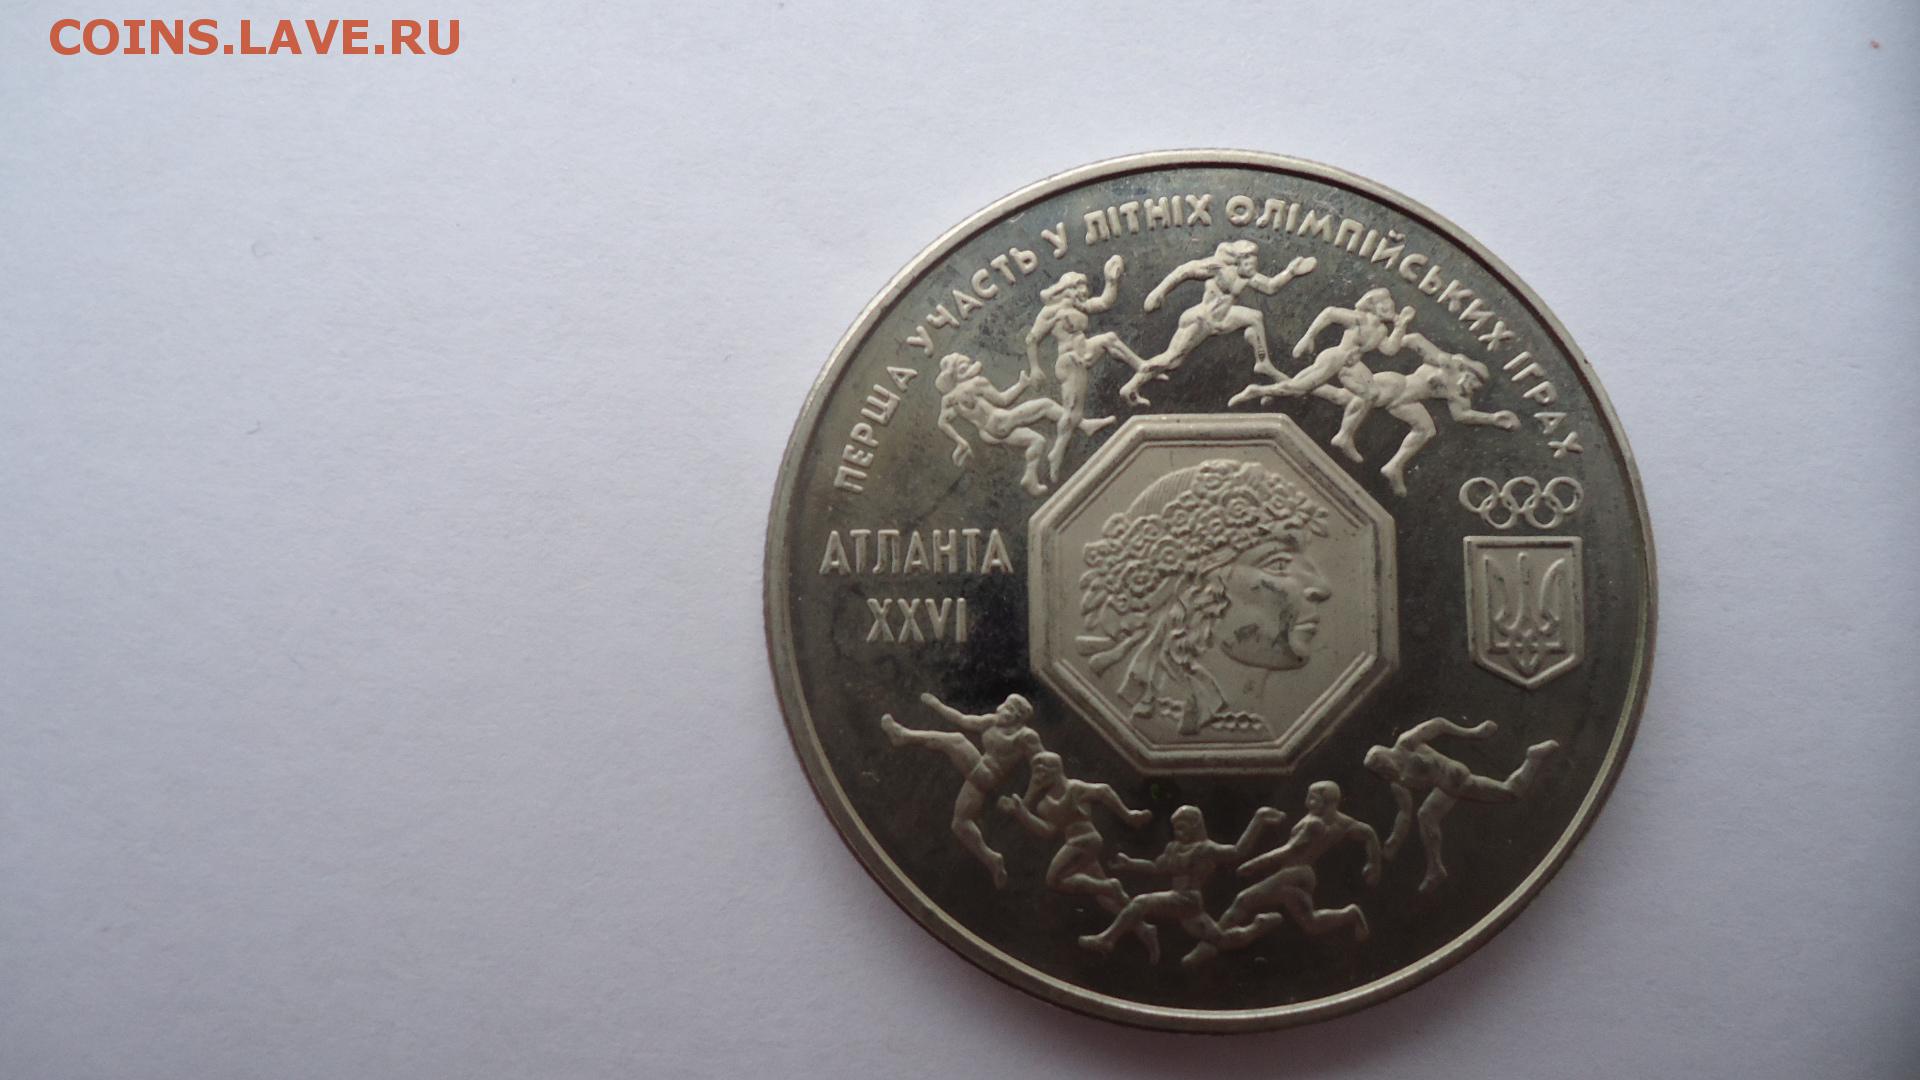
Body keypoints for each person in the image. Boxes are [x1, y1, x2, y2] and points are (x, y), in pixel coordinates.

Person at [1233, 330, 1520, 494]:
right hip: (1394, 385)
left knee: (1426, 429)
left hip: (1404, 403)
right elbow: (1416, 340)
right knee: (1340, 397)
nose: (1472, 388)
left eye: (1476, 388)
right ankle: (1272, 384)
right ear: (1467, 371)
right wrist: (1395, 338)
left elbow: (1461, 416)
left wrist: (1493, 419)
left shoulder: (1459, 395)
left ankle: (1393, 466)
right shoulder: (1446, 364)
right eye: (1474, 382)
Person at [1182, 781, 1380, 966]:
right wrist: (1374, 862)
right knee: (1311, 923)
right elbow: (1369, 833)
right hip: (1304, 875)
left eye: (1313, 798)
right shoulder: (1343, 822)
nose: (1307, 802)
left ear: (1328, 801)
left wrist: (1255, 864)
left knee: (1243, 899)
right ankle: (1350, 914)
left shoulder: (1313, 824)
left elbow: (1289, 850)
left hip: (1294, 872)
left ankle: (1208, 946)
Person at [1363, 718, 1559, 894]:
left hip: (1454, 776)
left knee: (1511, 792)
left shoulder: (1406, 743)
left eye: (1381, 764)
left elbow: (1439, 725)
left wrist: (1474, 732)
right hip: (1446, 788)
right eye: (1378, 771)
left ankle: (1533, 757)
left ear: (1385, 753)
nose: (1383, 770)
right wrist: (1395, 840)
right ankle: (1435, 868)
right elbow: (1404, 812)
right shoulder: (1398, 781)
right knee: (1426, 815)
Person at [997, 752, 1159, 959]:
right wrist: (1022, 813)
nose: (1038, 775)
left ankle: (1110, 886)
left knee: (1054, 879)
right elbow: (1047, 831)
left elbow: (1103, 791)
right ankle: (1143, 928)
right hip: (1075, 843)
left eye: (1043, 770)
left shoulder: (1073, 789)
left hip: (1085, 840)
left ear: (1057, 769)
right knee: (1103, 899)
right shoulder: (1044, 805)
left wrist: (1128, 815)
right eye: (1036, 771)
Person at [1077, 804, 1285, 963]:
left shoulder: (1205, 849)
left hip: (1188, 899)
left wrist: (1258, 820)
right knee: (1220, 940)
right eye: (1176, 828)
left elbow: (1237, 851)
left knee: (1140, 902)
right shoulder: (1174, 848)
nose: (1178, 832)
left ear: (1195, 826)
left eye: (1183, 828)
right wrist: (1130, 863)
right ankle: (1258, 926)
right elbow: (1156, 867)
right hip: (1187, 908)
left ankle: (1107, 939)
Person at [1116, 241, 1316, 406]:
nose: (1252, 265)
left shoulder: (1247, 276)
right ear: (1238, 259)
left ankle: (1262, 363)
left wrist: (1290, 272)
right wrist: (1158, 292)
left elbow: (1270, 287)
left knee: (1255, 317)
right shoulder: (1219, 267)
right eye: (1248, 260)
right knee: (1172, 360)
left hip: (1224, 318)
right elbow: (1184, 270)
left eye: (1254, 260)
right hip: (1201, 319)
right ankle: (1132, 384)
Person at [1228, 288, 1415, 464]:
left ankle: (1344, 436)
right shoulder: (1358, 318)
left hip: (1352, 365)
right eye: (1386, 304)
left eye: (1391, 305)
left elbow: (1389, 350)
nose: (1390, 308)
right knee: (1298, 389)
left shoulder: (1381, 330)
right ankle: (1256, 391)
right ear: (1373, 306)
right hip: (1336, 357)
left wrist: (1401, 326)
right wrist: (1308, 338)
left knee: (1371, 393)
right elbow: (1330, 313)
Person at [879, 691, 1044, 889]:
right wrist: (937, 705)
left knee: (956, 740)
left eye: (1011, 710)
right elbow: (963, 720)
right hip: (978, 776)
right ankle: (992, 859)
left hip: (988, 776)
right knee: (960, 823)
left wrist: (1025, 802)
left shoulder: (1026, 736)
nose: (1004, 711)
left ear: (1018, 717)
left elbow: (1043, 765)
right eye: (1006, 706)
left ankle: (903, 736)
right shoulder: (992, 721)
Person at [1025, 255, 1150, 481]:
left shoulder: (1080, 307)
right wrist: (1034, 368)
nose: (1084, 291)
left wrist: (1111, 280)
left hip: (1085, 352)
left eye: (1084, 286)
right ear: (1068, 289)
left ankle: (1142, 366)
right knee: (1073, 412)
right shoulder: (1051, 312)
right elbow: (1032, 339)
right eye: (1079, 286)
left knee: (1109, 339)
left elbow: (1104, 302)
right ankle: (1057, 452)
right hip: (1070, 361)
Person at [933, 352, 1111, 496]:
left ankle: (1030, 477)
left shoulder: (948, 400)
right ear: (957, 373)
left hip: (987, 433)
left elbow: (942, 423)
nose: (973, 366)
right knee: (1045, 405)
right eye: (966, 365)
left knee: (1037, 441)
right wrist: (1021, 385)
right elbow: (1003, 400)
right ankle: (1084, 425)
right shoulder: (976, 384)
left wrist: (960, 442)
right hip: (1000, 420)